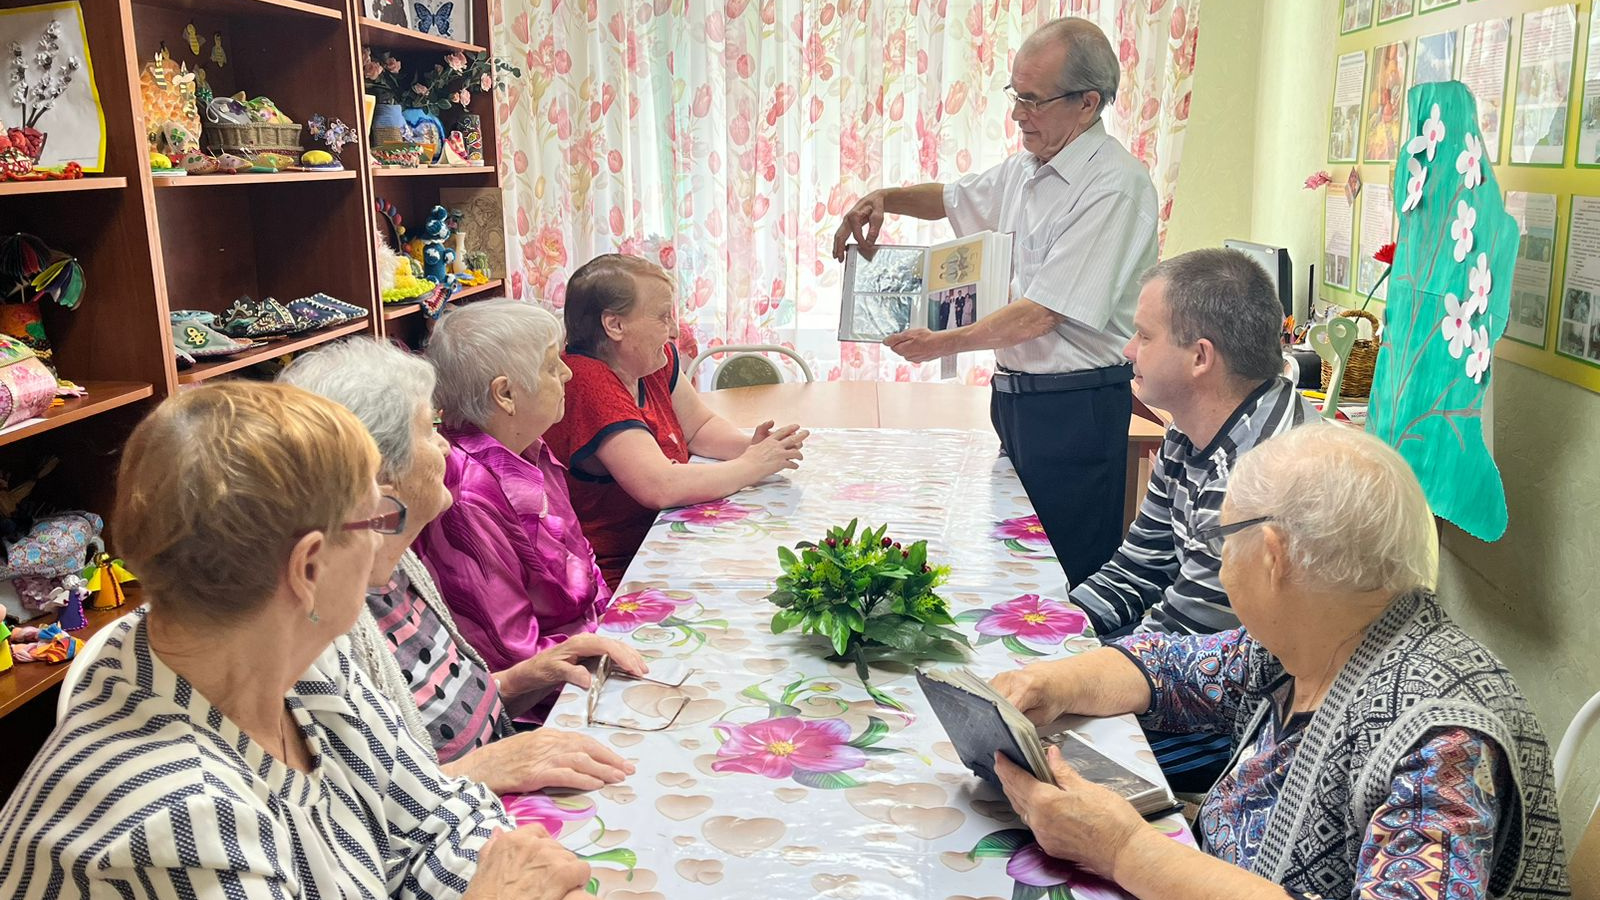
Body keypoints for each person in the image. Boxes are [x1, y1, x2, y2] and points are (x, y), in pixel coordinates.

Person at [0, 382, 593, 899]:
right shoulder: (176, 817)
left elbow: (430, 822)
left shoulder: (291, 649)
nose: (394, 532)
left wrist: (513, 872)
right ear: (309, 568)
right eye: (380, 516)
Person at [991, 425, 1569, 899]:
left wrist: (1123, 851)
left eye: (1222, 543)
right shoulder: (1317, 635)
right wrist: (1048, 683)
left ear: (1272, 555)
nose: (1220, 565)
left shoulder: (1443, 739)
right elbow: (1163, 667)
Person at [833, 17, 1160, 586]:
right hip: (1017, 399)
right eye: (1015, 94)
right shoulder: (1029, 168)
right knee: (1018, 564)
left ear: (1087, 103)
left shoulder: (1114, 185)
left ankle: (1075, 673)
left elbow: (1043, 311)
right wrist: (883, 197)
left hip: (1076, 405)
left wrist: (944, 343)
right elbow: (955, 198)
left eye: (1032, 100)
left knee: (1068, 570)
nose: (1017, 114)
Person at [282, 337, 643, 792]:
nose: (447, 447)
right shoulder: (326, 618)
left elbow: (444, 715)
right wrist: (476, 771)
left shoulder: (396, 568)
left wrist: (527, 677)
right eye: (429, 429)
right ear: (379, 474)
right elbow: (351, 806)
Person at [1064, 249, 1315, 791]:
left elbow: (1181, 642)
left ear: (1200, 357)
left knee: (1037, 757)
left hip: (1242, 712)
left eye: (1144, 336)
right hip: (1180, 663)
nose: (1128, 350)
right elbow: (1136, 569)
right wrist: (1052, 632)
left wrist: (1062, 678)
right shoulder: (1192, 425)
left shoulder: (1264, 474)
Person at [544, 254, 808, 586]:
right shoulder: (587, 380)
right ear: (614, 325)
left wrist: (750, 447)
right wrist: (752, 465)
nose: (673, 330)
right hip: (617, 572)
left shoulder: (650, 360)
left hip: (663, 541)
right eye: (662, 316)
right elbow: (660, 485)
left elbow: (698, 427)